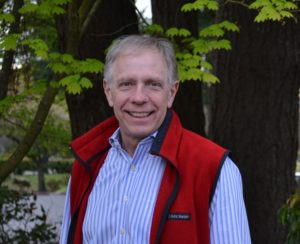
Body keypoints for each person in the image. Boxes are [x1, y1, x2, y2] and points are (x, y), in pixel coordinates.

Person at [60, 35, 251, 244]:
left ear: (171, 93)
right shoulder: (85, 168)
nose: (139, 97)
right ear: (109, 92)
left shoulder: (215, 169)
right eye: (126, 84)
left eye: (153, 84)